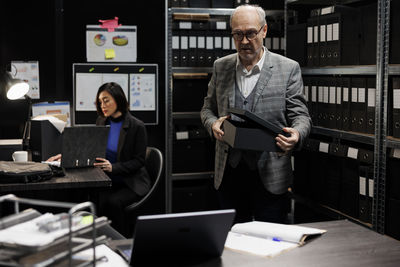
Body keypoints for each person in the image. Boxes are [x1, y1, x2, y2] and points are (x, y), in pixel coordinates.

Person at [200, 5, 311, 224]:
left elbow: (301, 116)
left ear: (264, 31)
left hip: (270, 173)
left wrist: (297, 135)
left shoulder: (287, 68)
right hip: (229, 172)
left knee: (270, 243)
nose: (243, 41)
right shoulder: (221, 67)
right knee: (231, 242)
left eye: (250, 33)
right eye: (237, 34)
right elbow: (207, 109)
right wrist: (212, 125)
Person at [48, 82, 150, 235]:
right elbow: (92, 149)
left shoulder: (137, 126)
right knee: (83, 196)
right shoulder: (101, 121)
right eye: (100, 101)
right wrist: (68, 155)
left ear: (118, 99)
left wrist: (113, 167)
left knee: (112, 202)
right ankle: (91, 236)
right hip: (106, 179)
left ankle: (120, 241)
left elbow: (139, 161)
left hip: (129, 182)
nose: (103, 105)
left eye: (106, 100)